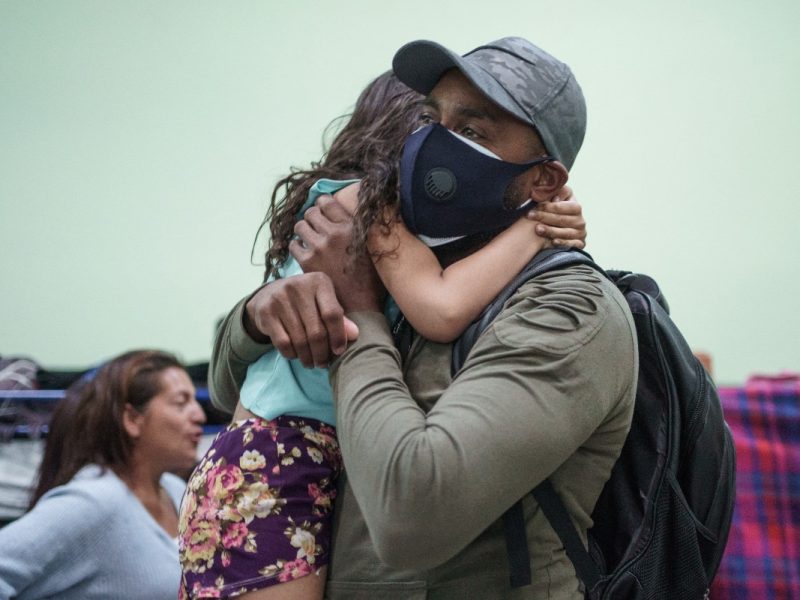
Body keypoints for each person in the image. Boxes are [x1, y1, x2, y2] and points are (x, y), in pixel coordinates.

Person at [210, 36, 638, 599]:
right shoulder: (370, 233)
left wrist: (360, 310)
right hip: (270, 469)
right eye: (429, 120)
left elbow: (411, 517)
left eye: (472, 131)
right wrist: (257, 313)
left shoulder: (566, 306)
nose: (432, 144)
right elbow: (225, 386)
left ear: (545, 181)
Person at [0, 350, 207, 600]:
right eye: (181, 403)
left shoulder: (176, 490)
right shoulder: (93, 502)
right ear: (132, 419)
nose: (200, 415)